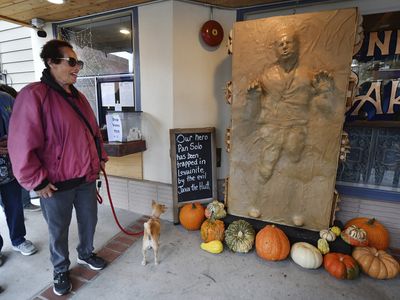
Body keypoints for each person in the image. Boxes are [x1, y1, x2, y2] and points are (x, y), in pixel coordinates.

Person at [8, 39, 108, 296]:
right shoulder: (33, 96)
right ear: (51, 62)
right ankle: (60, 269)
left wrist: (99, 160)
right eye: (71, 62)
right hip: (54, 184)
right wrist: (36, 181)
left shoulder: (79, 97)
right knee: (58, 230)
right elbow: (20, 143)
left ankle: (86, 254)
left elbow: (93, 133)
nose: (77, 68)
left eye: (78, 63)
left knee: (89, 221)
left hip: (85, 178)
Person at [246, 25, 334, 217]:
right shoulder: (266, 76)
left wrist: (325, 92)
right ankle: (255, 203)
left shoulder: (308, 75)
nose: (285, 46)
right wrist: (253, 97)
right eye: (280, 44)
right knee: (265, 169)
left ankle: (296, 211)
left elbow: (326, 111)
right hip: (272, 130)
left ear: (297, 46)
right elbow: (250, 114)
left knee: (295, 170)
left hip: (296, 130)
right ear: (275, 50)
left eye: (288, 42)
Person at [0, 91, 38, 261]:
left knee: (14, 206)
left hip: (10, 166)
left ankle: (18, 239)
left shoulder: (6, 98)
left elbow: (23, 126)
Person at [0, 84, 41, 212]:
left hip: (12, 158)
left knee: (16, 183)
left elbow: (20, 125)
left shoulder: (6, 98)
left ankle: (24, 204)